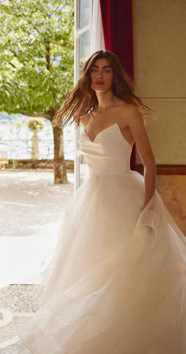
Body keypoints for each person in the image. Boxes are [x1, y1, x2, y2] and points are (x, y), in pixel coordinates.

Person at [18, 50, 186, 353]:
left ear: (115, 75)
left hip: (125, 196)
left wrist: (148, 208)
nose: (99, 75)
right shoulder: (83, 115)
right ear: (87, 74)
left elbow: (149, 163)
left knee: (125, 274)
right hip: (92, 199)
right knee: (88, 272)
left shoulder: (128, 112)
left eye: (107, 70)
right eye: (94, 69)